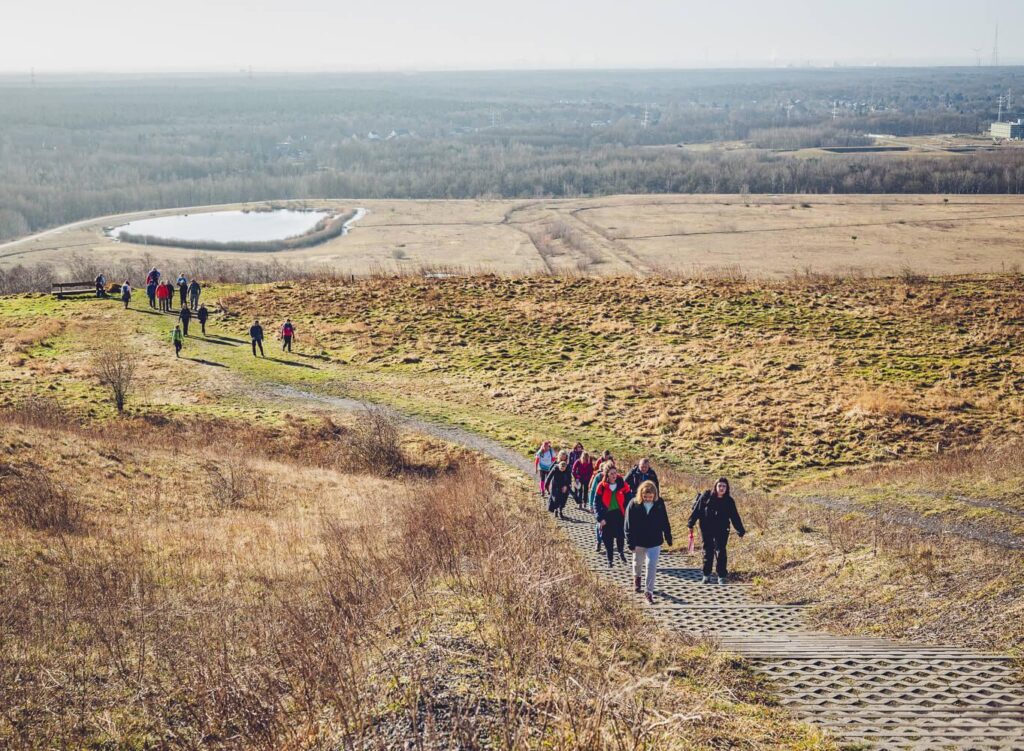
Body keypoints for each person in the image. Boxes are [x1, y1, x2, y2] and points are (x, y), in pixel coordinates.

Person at [688, 477, 746, 584]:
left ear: (727, 488)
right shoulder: (706, 497)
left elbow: (735, 517)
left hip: (722, 529)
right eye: (720, 486)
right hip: (706, 527)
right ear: (715, 486)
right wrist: (691, 523)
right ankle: (706, 574)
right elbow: (697, 510)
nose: (722, 488)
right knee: (708, 550)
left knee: (721, 551)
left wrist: (740, 530)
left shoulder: (729, 501)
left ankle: (721, 576)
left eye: (724, 486)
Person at [625, 480, 673, 603]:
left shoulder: (659, 504)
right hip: (638, 540)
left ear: (655, 495)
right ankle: (637, 578)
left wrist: (668, 535)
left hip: (654, 540)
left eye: (650, 497)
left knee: (651, 565)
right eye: (645, 497)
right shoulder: (633, 504)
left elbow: (664, 520)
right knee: (638, 563)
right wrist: (630, 542)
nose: (647, 499)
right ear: (641, 495)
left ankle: (649, 592)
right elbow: (628, 525)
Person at [594, 465, 630, 567]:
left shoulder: (622, 484)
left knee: (620, 536)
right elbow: (596, 503)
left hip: (619, 514)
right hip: (606, 515)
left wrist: (628, 513)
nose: (614, 475)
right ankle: (610, 560)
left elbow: (629, 499)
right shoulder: (601, 486)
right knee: (607, 538)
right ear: (607, 474)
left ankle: (621, 552)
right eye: (612, 473)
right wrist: (600, 518)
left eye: (615, 473)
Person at [545, 451, 573, 519]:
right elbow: (550, 472)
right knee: (556, 499)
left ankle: (560, 511)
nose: (563, 458)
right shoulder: (555, 464)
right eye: (562, 456)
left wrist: (568, 485)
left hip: (564, 485)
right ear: (559, 456)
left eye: (564, 456)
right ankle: (556, 510)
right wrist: (547, 484)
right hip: (556, 484)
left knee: (563, 499)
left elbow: (569, 476)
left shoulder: (568, 465)